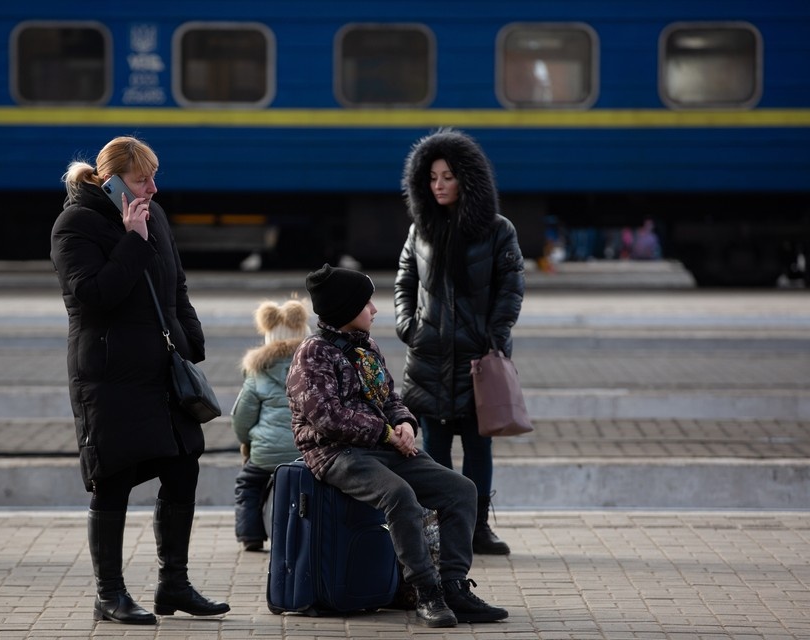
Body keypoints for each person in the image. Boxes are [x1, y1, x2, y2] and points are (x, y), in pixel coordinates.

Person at [49, 135, 229, 625]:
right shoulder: (74, 225)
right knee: (115, 477)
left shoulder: (155, 214)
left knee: (183, 464)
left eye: (153, 176)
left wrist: (191, 340)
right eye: (140, 179)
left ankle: (174, 583)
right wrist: (131, 241)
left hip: (161, 369)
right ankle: (109, 594)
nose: (151, 187)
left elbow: (176, 285)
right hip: (108, 375)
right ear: (109, 183)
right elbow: (94, 296)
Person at [287, 263, 510, 628]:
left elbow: (389, 397)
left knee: (460, 490)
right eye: (367, 303)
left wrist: (405, 422)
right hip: (334, 452)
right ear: (345, 309)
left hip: (381, 444)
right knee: (399, 495)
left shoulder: (365, 346)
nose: (375, 310)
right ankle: (426, 593)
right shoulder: (313, 354)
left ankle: (454, 586)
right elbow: (326, 417)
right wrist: (386, 434)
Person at [395, 128, 526, 556]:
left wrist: (496, 334)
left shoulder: (497, 230)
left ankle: (478, 528)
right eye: (432, 178)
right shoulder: (422, 229)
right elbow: (404, 280)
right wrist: (407, 325)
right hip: (429, 357)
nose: (439, 185)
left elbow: (511, 285)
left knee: (477, 444)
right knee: (433, 447)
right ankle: (442, 527)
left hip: (477, 360)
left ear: (467, 179)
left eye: (448, 176)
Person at [231, 298, 310, 551]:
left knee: (249, 485)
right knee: (307, 488)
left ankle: (251, 536)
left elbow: (242, 418)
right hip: (305, 451)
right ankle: (301, 534)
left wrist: (247, 443)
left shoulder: (257, 373)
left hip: (265, 453)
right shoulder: (314, 368)